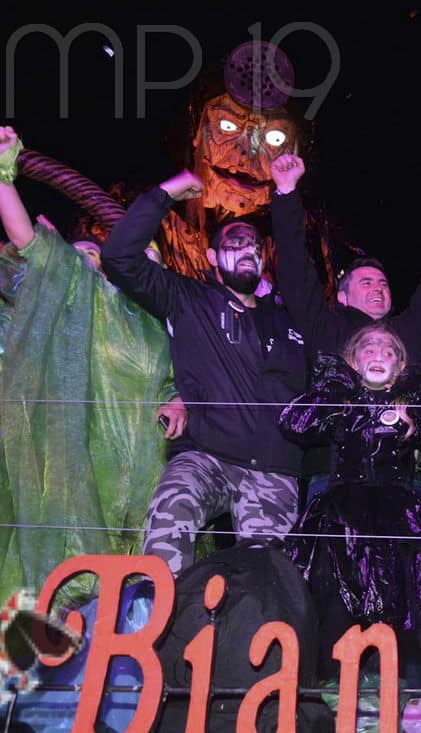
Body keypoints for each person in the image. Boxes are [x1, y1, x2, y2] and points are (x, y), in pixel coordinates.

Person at [0, 127, 179, 599]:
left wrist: (177, 398)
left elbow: (175, 377)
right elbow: (29, 242)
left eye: (94, 254)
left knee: (134, 589)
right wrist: (2, 172)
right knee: (67, 576)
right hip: (78, 461)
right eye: (78, 254)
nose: (85, 260)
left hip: (144, 469)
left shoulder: (157, 323)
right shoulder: (81, 295)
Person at [102, 169, 307, 575]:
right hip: (204, 455)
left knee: (268, 578)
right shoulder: (188, 299)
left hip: (274, 467)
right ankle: (159, 631)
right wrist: (166, 191)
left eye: (255, 246)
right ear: (212, 257)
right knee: (167, 521)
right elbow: (118, 257)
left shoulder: (290, 321)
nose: (248, 250)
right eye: (235, 242)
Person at [279, 323, 421, 682]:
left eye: (388, 350)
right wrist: (337, 385)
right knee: (335, 614)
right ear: (352, 359)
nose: (378, 353)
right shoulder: (337, 398)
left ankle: (394, 707)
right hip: (340, 524)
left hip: (401, 525)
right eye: (368, 347)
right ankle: (335, 703)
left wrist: (419, 401)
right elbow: (294, 424)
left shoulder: (413, 400)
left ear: (399, 366)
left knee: (401, 620)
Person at [270, 153, 421, 361]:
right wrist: (286, 191)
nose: (378, 288)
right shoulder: (326, 328)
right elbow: (295, 269)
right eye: (366, 282)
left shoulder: (410, 332)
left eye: (383, 283)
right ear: (342, 297)